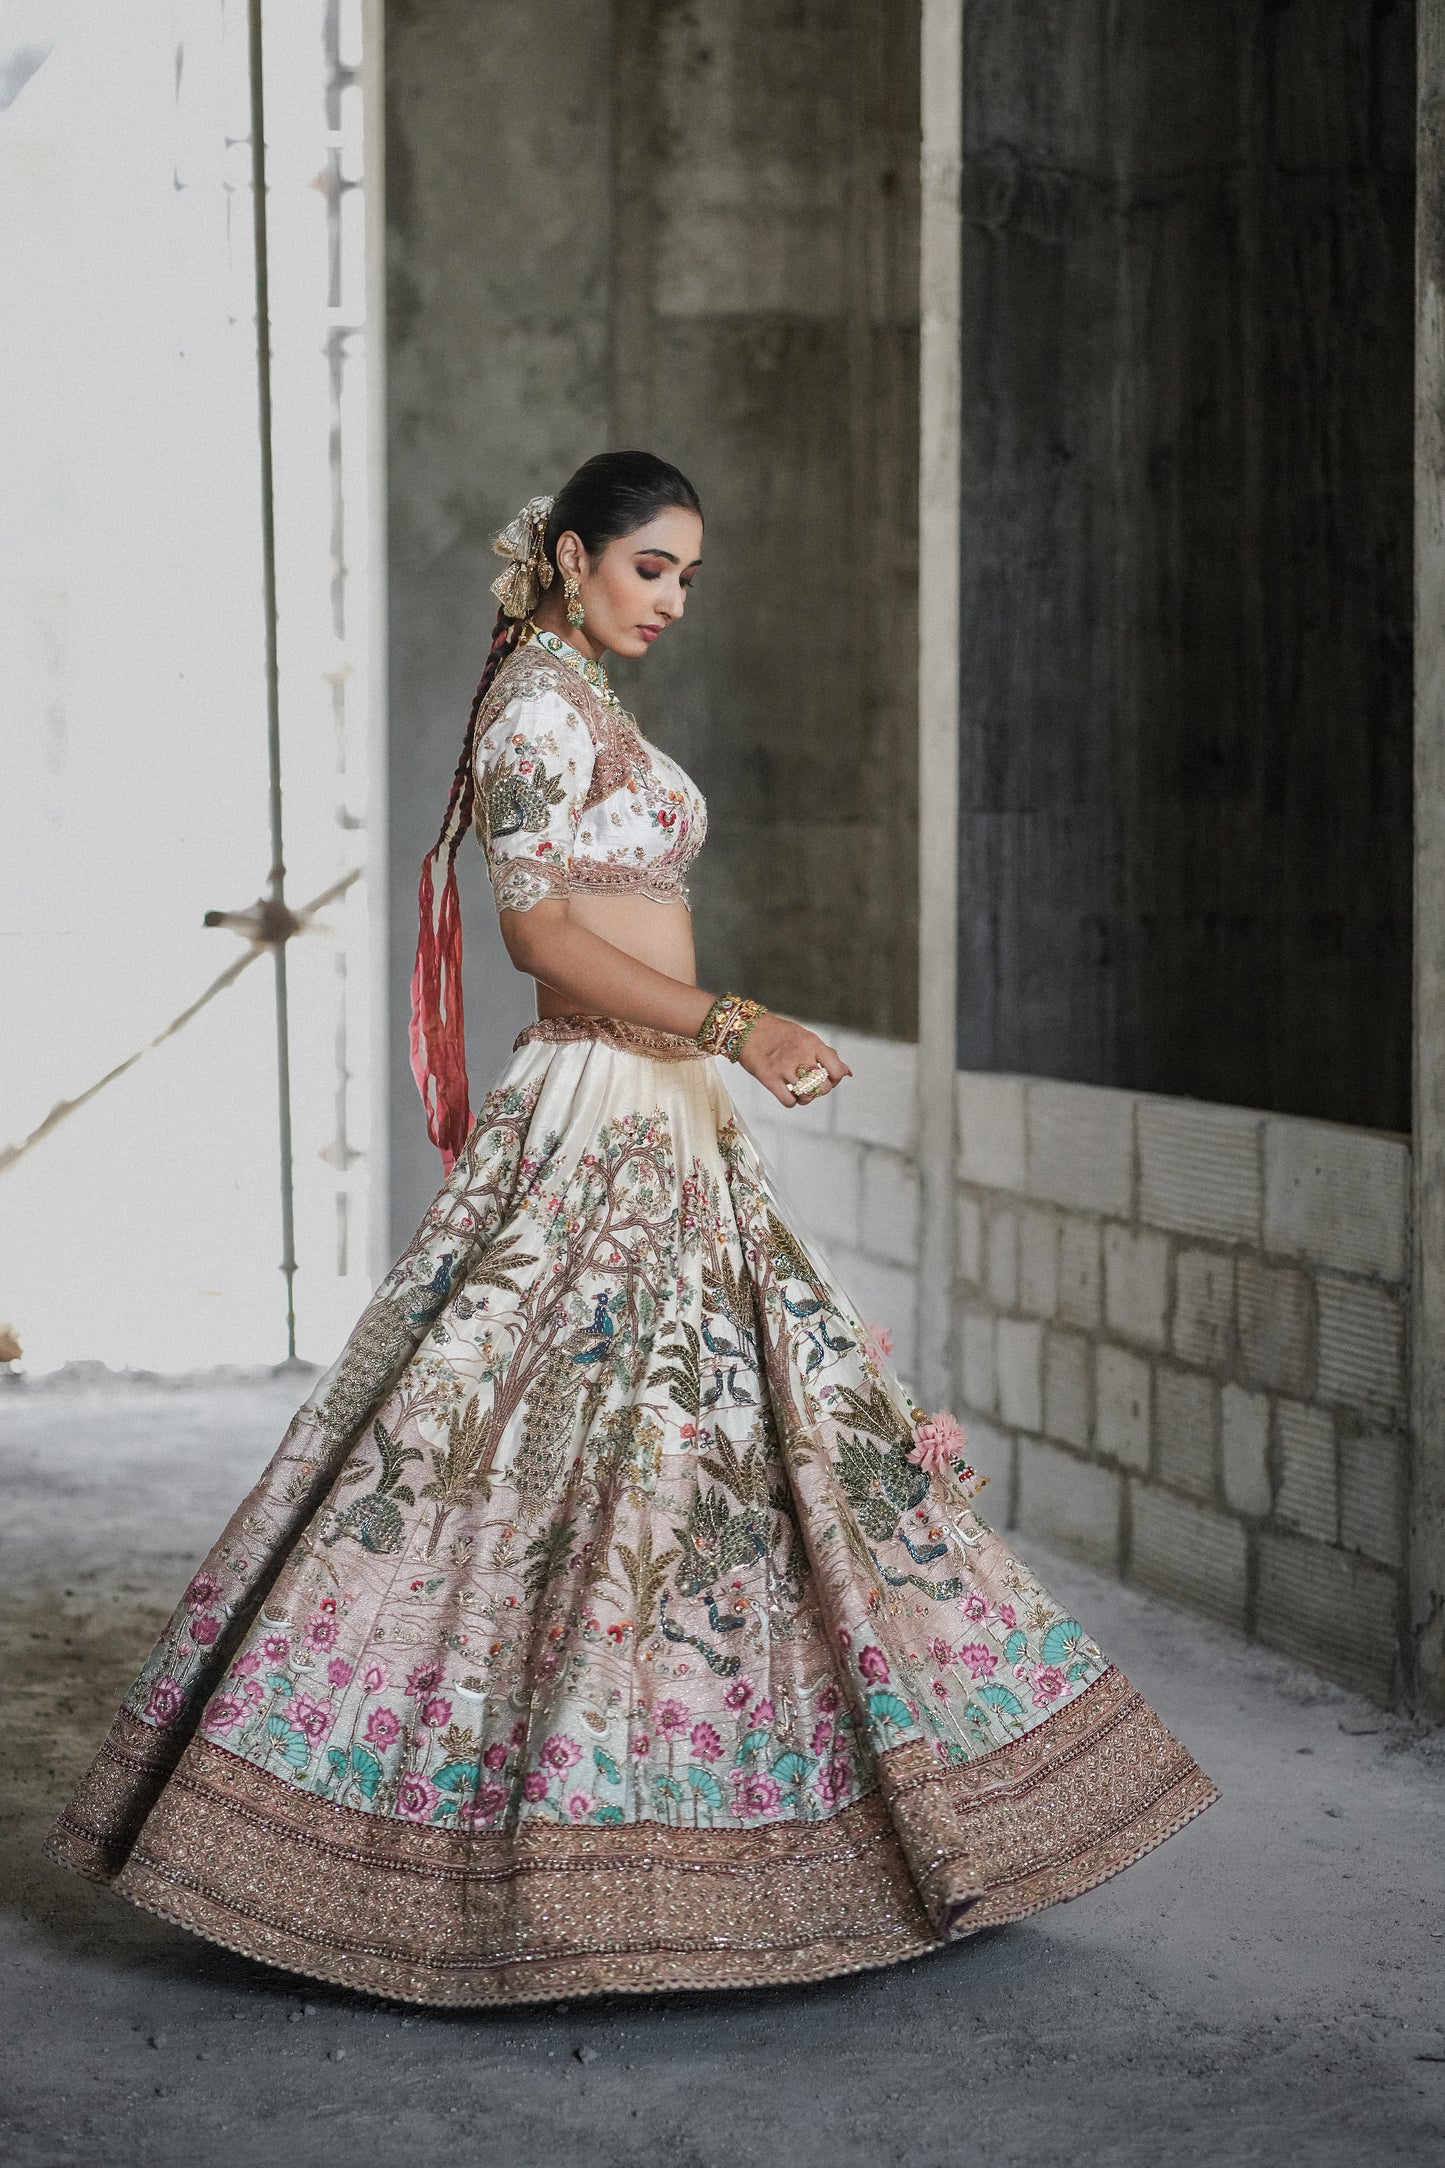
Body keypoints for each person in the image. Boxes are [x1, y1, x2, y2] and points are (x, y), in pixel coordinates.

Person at [47, 451, 1217, 2006]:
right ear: (574, 556)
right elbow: (538, 937)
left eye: (686, 577)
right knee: (532, 1452)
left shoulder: (582, 700)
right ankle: (458, 1839)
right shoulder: (536, 706)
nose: (670, 598)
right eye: (651, 566)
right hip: (605, 1106)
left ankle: (720, 1816)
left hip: (660, 1108)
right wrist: (733, 1021)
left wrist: (712, 1055)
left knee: (696, 1452)